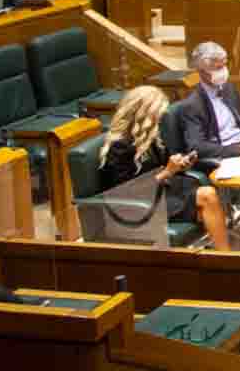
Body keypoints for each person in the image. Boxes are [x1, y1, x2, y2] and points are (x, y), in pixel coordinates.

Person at [98, 86, 231, 249]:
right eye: (157, 115)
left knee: (208, 193)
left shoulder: (151, 137)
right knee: (207, 196)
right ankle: (225, 257)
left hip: (159, 191)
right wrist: (168, 171)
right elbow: (126, 192)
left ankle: (216, 250)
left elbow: (164, 165)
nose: (160, 119)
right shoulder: (119, 147)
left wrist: (180, 165)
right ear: (144, 114)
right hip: (139, 204)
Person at [177, 43, 240, 161]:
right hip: (227, 154)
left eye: (224, 65)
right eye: (217, 68)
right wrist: (239, 149)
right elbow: (197, 147)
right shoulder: (192, 105)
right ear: (201, 71)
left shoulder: (228, 88)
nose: (223, 71)